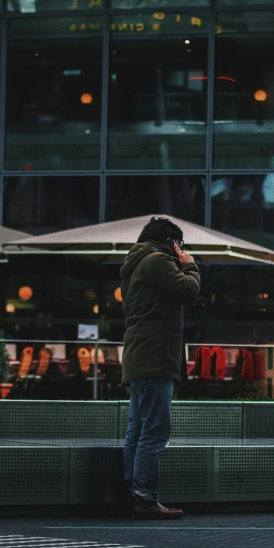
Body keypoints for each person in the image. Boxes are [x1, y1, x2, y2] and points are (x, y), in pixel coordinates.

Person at [121, 217, 201, 520]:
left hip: (141, 356)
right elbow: (188, 292)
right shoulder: (157, 261)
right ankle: (144, 497)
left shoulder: (136, 262)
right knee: (155, 431)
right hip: (155, 358)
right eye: (180, 246)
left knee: (139, 430)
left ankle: (134, 493)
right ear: (173, 243)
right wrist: (190, 265)